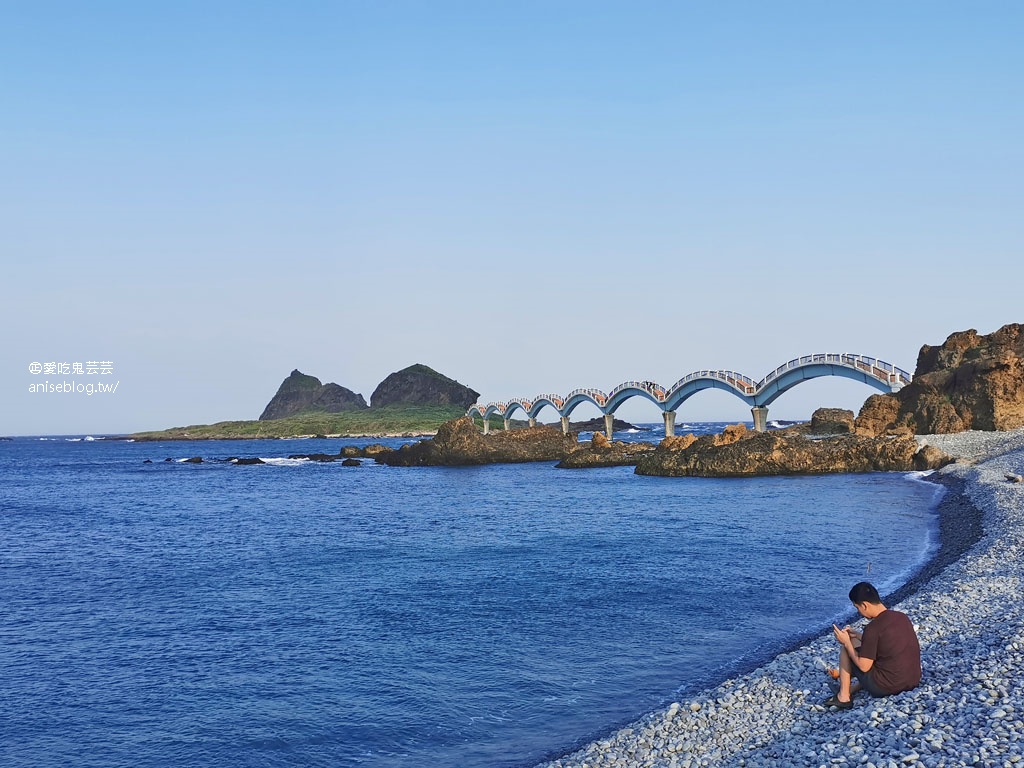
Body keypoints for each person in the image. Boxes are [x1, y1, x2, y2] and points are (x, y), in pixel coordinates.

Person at [824, 581, 922, 710]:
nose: (858, 612)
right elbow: (883, 642)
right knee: (859, 644)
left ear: (864, 605)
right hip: (912, 679)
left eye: (857, 607)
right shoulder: (901, 617)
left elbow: (864, 667)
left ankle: (844, 697)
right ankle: (851, 687)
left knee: (847, 650)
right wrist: (857, 635)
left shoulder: (873, 628)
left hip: (889, 686)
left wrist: (846, 642)